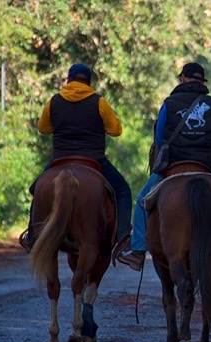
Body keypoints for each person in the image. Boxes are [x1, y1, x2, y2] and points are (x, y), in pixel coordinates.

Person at [117, 62, 211, 275]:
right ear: (202, 82)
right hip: (205, 168)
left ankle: (138, 252)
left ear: (183, 78)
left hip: (172, 167)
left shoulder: (169, 104)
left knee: (141, 202)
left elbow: (159, 139)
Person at [20, 63, 132, 251]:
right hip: (94, 160)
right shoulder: (99, 101)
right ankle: (122, 239)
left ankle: (32, 236)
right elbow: (116, 130)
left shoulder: (54, 101)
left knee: (37, 189)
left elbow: (43, 128)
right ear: (89, 83)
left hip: (60, 159)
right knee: (123, 191)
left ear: (68, 80)